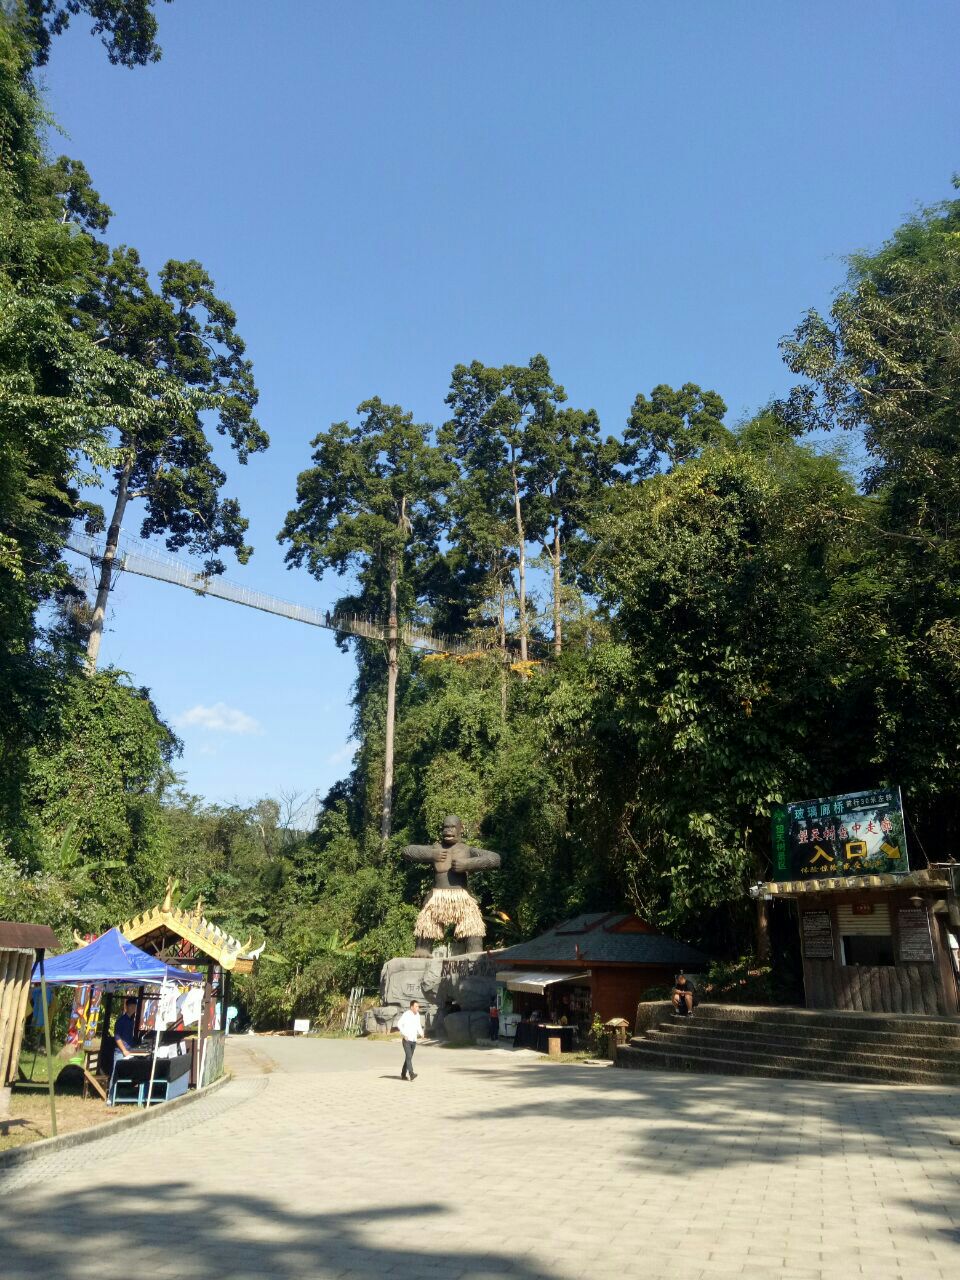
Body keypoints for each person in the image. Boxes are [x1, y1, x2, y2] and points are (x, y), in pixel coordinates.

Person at [395, 999, 423, 1081]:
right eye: (416, 1006)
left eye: (418, 1006)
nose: (418, 1008)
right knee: (409, 1056)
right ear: (411, 1007)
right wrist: (404, 1034)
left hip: (413, 1040)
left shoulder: (417, 1015)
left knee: (408, 1058)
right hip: (406, 1039)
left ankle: (403, 1074)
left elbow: (418, 1025)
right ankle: (411, 1074)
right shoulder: (406, 1014)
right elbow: (399, 1024)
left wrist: (421, 1033)